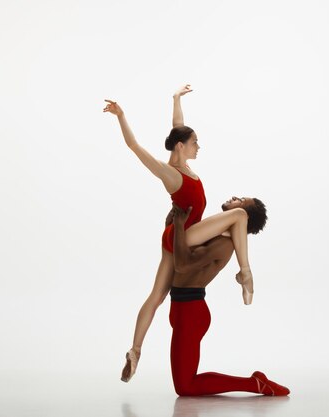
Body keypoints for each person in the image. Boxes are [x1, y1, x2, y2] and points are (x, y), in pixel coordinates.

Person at [103, 86, 256, 382]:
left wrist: (175, 99)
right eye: (195, 142)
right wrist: (121, 116)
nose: (199, 146)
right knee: (238, 215)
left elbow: (177, 126)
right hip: (186, 234)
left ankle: (135, 352)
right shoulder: (171, 174)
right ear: (181, 147)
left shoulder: (183, 162)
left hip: (175, 235)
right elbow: (134, 146)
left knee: (157, 296)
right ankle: (246, 275)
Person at [168, 199, 289, 396]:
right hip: (182, 308)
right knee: (185, 384)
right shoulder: (212, 235)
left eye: (240, 201)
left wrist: (180, 226)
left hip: (190, 312)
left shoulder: (224, 244)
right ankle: (255, 383)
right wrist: (173, 224)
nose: (234, 198)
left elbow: (182, 265)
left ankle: (255, 384)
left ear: (244, 217)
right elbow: (177, 251)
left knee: (185, 387)